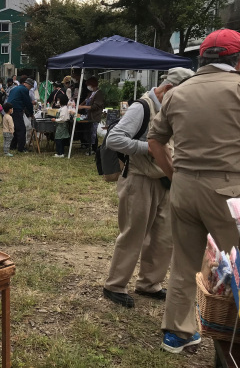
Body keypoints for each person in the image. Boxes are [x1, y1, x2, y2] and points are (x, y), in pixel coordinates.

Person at [148, 29, 240, 354]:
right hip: (230, 191)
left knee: (185, 261)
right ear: (236, 60)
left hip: (184, 187)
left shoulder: (177, 93)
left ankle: (177, 332)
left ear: (201, 59)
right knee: (238, 263)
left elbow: (154, 140)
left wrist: (175, 175)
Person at [102, 67, 194, 310]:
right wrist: (149, 148)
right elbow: (114, 139)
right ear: (167, 90)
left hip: (164, 181)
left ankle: (149, 283)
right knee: (133, 234)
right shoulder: (141, 107)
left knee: (164, 237)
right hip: (139, 179)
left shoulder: (171, 108)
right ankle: (115, 285)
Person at [77, 76, 104, 155]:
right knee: (89, 132)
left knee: (93, 133)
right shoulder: (92, 93)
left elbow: (95, 106)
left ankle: (94, 149)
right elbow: (86, 100)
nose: (88, 87)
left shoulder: (99, 94)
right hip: (88, 116)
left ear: (92, 85)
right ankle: (89, 146)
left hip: (95, 116)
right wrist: (79, 105)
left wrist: (82, 107)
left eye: (89, 85)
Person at [7, 76, 33, 153]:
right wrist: (31, 113)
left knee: (15, 128)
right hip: (17, 110)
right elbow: (27, 102)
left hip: (10, 109)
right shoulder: (24, 90)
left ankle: (13, 145)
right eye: (30, 87)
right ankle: (21, 148)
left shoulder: (15, 88)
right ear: (27, 84)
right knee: (21, 129)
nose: (30, 89)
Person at [51, 93, 71, 157]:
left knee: (58, 139)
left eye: (58, 100)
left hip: (62, 125)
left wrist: (55, 120)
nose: (58, 101)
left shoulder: (64, 109)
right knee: (60, 139)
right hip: (60, 125)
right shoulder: (62, 108)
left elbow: (62, 119)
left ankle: (60, 153)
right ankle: (61, 152)